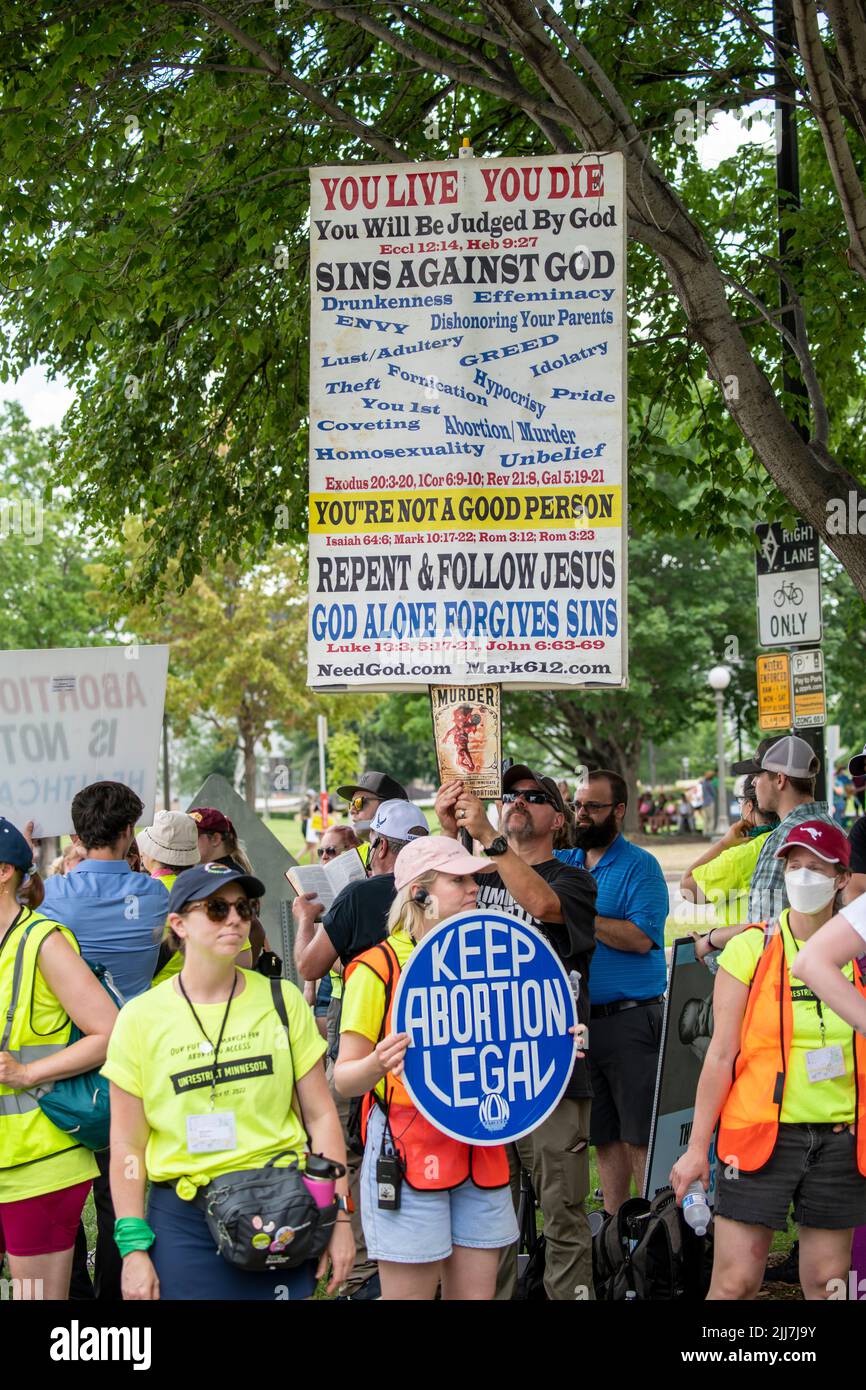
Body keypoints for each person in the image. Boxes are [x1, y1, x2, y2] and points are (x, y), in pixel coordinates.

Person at [103, 861, 354, 1301]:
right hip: (183, 1217)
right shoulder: (139, 1019)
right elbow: (127, 1144)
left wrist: (339, 1218)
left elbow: (320, 1116)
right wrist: (133, 1249)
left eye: (245, 907)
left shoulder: (283, 1000)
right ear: (178, 924)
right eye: (217, 908)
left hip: (278, 1203)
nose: (236, 919)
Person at [670, 820, 866, 1300]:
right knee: (736, 1282)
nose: (802, 876)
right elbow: (719, 1056)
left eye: (815, 867)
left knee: (828, 1282)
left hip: (840, 1139)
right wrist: (697, 1148)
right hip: (759, 1136)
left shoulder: (859, 954)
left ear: (842, 878)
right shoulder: (751, 948)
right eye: (793, 866)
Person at [436, 765, 598, 1301]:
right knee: (489, 1220)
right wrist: (447, 832)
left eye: (535, 796)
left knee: (563, 1212)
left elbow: (543, 907)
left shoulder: (573, 881)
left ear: (559, 819)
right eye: (511, 795)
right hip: (487, 1076)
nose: (518, 801)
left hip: (553, 1073)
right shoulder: (477, 879)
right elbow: (429, 914)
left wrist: (488, 836)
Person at [335, 835, 518, 1299]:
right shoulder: (376, 967)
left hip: (480, 1146)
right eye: (459, 879)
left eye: (475, 877)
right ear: (420, 892)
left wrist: (553, 1042)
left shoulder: (488, 957)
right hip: (408, 1150)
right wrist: (378, 1062)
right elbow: (343, 1076)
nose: (475, 888)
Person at [41, 781, 170, 1300]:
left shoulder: (50, 898)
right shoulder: (156, 897)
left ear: (75, 833)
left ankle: (71, 1305)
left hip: (67, 1064)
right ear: (128, 833)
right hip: (135, 1064)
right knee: (125, 1191)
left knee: (63, 1197)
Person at [293, 800, 428, 1296]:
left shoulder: (358, 895)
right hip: (428, 1049)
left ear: (380, 847)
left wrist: (305, 919)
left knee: (350, 1148)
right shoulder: (441, 894)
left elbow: (309, 966)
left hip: (363, 1039)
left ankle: (365, 1262)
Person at [0, 817, 118, 1300]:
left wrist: (27, 1072)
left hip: (39, 1161)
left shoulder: (42, 940)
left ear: (4, 872)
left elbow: (110, 1032)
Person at [556, 771, 669, 1215]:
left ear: (618, 811)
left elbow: (641, 937)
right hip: (584, 1024)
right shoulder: (565, 860)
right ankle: (618, 1233)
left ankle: (656, 1235)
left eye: (593, 807)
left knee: (638, 1134)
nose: (582, 814)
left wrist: (581, 917)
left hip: (631, 1021)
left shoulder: (641, 866)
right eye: (578, 806)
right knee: (603, 1134)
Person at [681, 775, 778, 945]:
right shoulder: (790, 837)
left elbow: (687, 888)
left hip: (745, 956)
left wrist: (724, 843)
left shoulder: (741, 856)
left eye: (741, 802)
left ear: (749, 806)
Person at [335, 771, 408, 860]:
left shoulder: (414, 855)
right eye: (351, 804)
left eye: (359, 802)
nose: (351, 810)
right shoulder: (355, 856)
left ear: (389, 808)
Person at [188, 807, 254, 873]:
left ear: (215, 839)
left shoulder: (226, 876)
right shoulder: (206, 872)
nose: (185, 841)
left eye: (192, 836)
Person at [700, 771, 717, 838]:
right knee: (711, 818)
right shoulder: (709, 783)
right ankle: (710, 831)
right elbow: (713, 793)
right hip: (710, 802)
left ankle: (705, 832)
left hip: (704, 802)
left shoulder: (703, 783)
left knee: (706, 818)